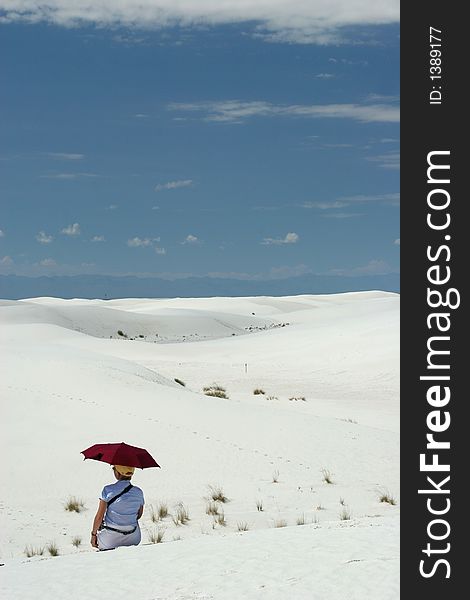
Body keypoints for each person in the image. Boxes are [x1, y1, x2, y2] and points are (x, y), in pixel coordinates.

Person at [91, 465, 144, 551]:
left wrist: (93, 535)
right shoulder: (138, 492)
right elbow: (139, 515)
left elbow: (99, 517)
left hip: (109, 540)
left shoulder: (108, 490)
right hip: (133, 538)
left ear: (118, 473)